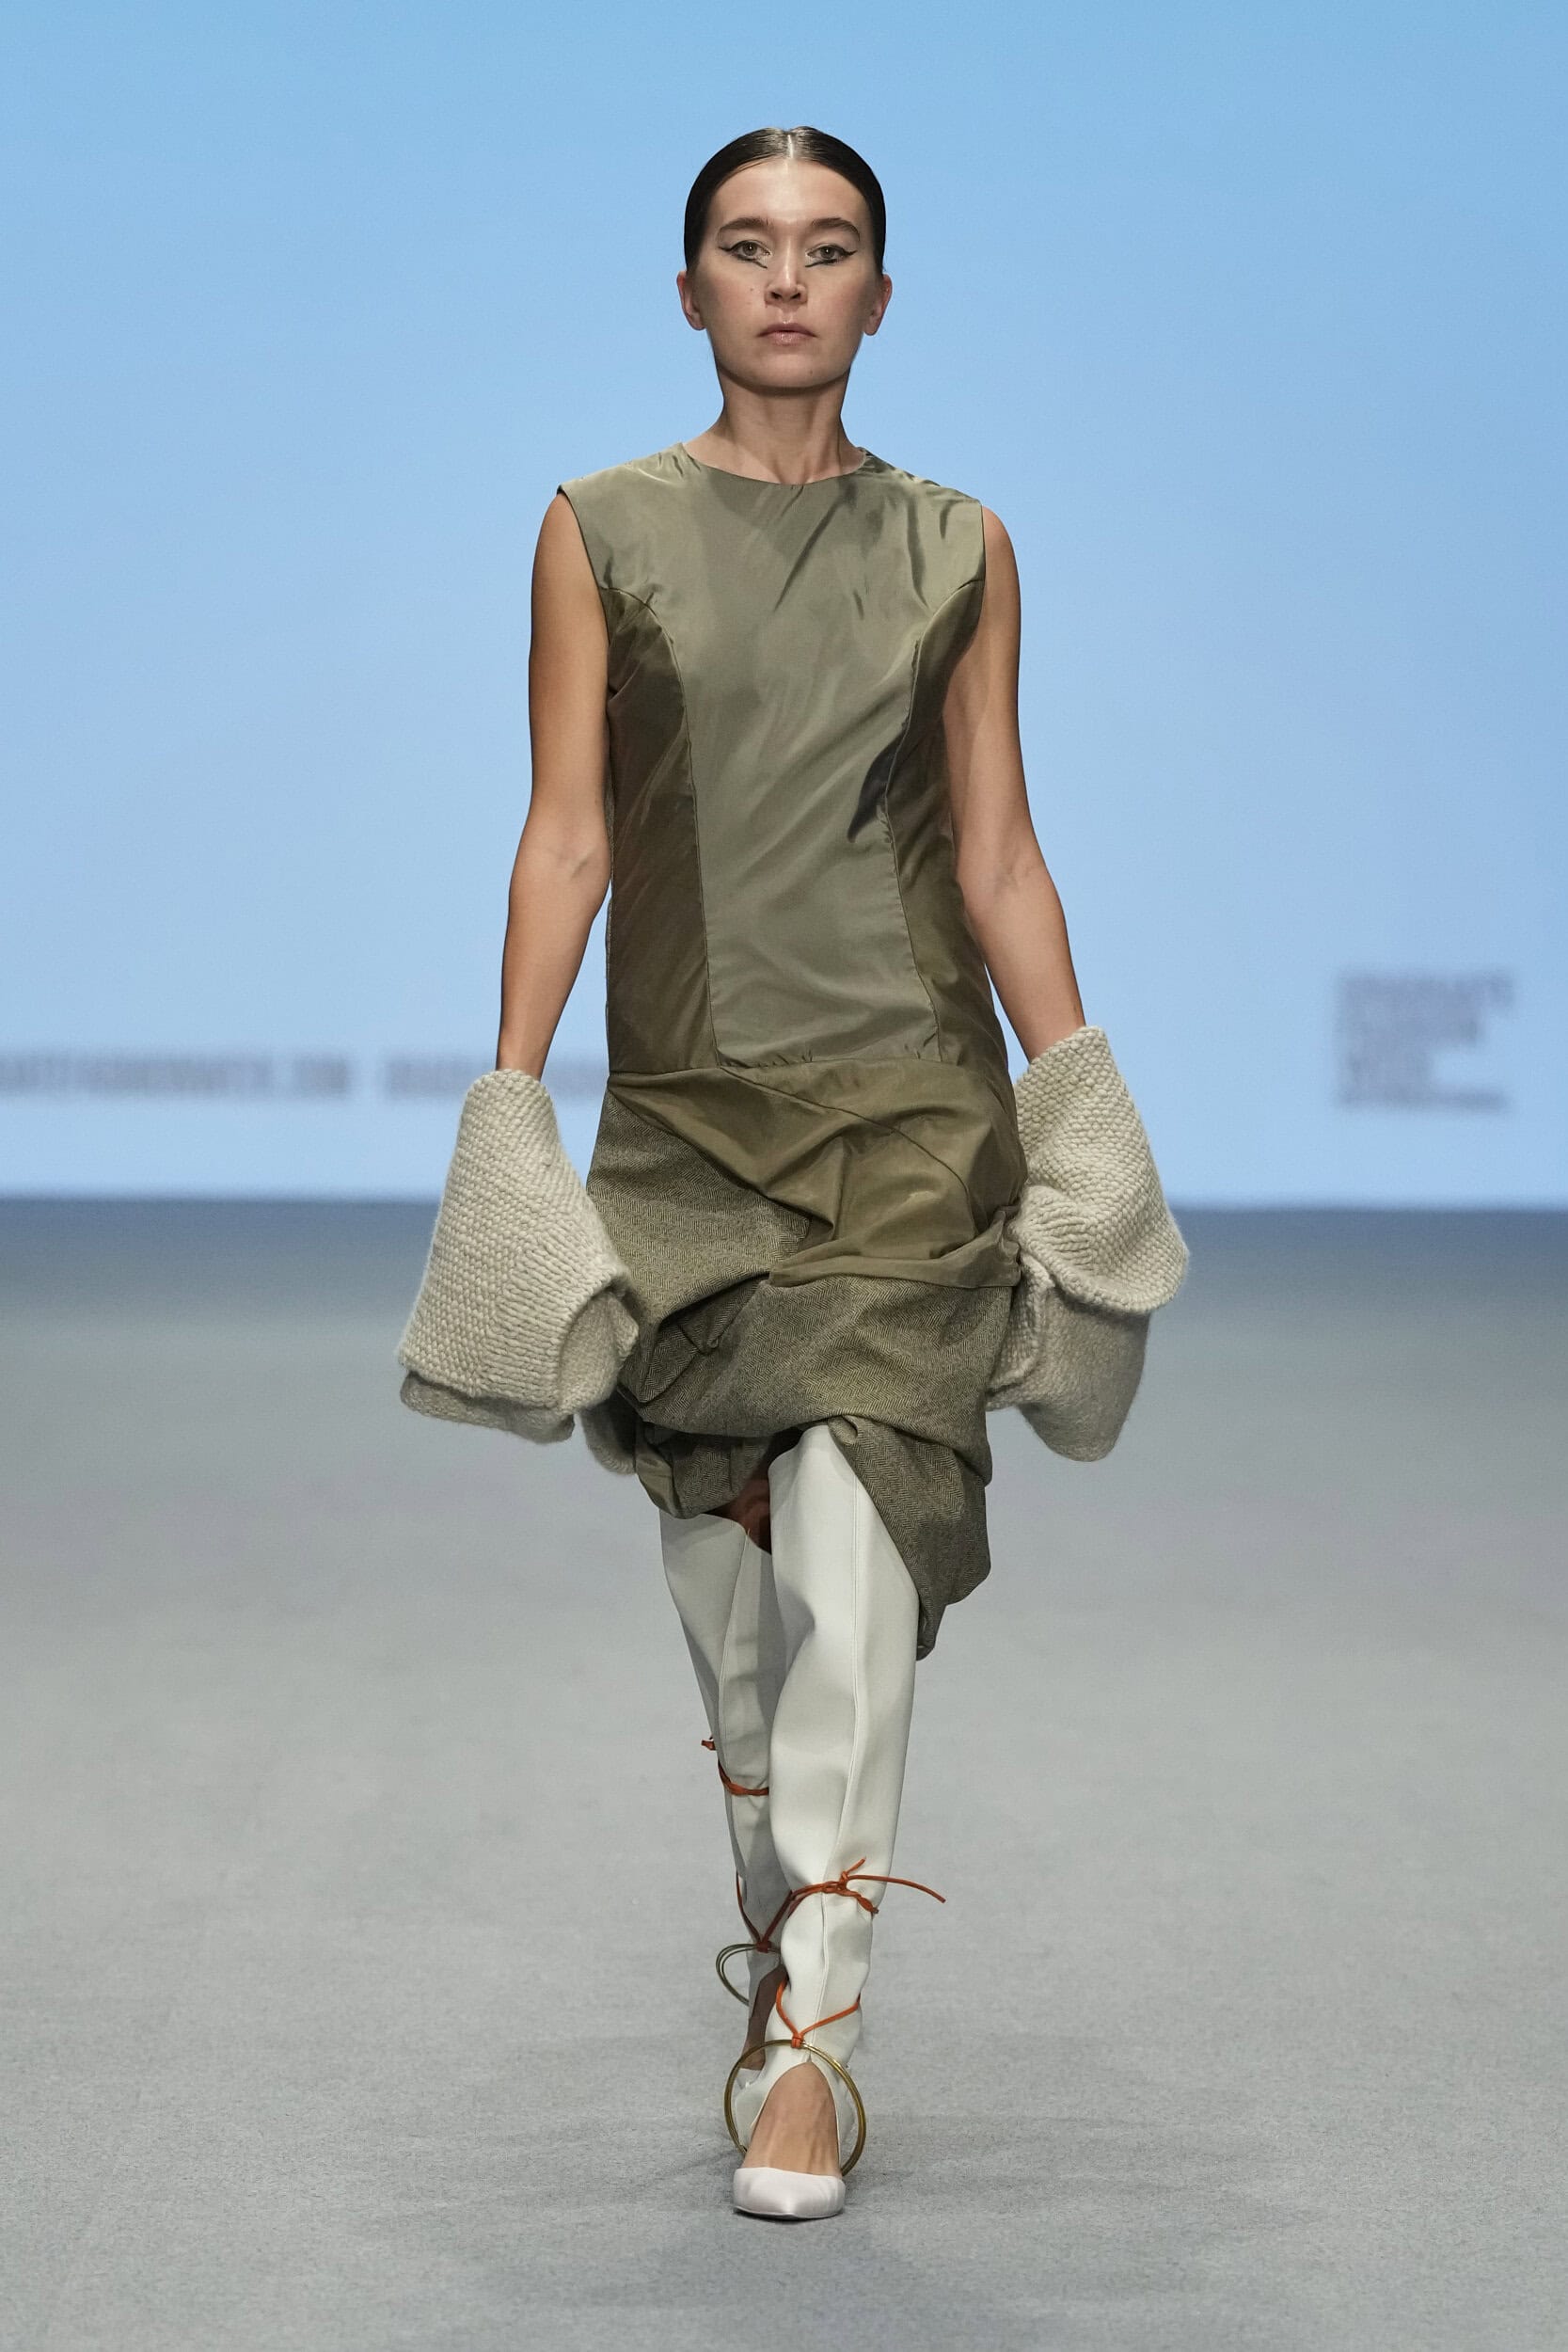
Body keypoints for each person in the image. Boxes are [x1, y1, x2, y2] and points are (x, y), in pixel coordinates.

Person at [495, 126, 1089, 2221]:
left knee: (854, 1534)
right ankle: (777, 1917)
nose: (785, 280)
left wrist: (1078, 1096)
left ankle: (816, 2042)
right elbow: (571, 830)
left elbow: (996, 850)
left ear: (878, 296)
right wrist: (508, 1111)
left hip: (910, 1111)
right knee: (729, 1586)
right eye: (747, 247)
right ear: (689, 291)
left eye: (827, 248)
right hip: (687, 1125)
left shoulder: (959, 546)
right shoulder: (599, 528)